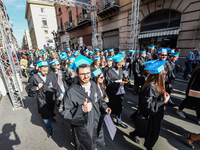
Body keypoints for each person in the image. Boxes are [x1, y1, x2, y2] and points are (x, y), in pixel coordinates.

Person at [61, 55, 111, 150]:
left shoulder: (93, 84)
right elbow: (64, 112)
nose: (86, 76)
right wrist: (81, 109)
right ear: (77, 73)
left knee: (99, 146)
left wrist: (105, 107)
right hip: (83, 130)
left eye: (88, 73)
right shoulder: (71, 92)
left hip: (97, 125)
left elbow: (100, 99)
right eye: (82, 74)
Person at [129, 60, 170, 150]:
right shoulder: (151, 87)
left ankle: (134, 134)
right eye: (164, 74)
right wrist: (164, 101)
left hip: (155, 114)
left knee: (145, 131)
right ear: (159, 76)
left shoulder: (157, 84)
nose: (165, 76)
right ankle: (148, 147)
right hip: (151, 116)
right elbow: (149, 106)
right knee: (151, 133)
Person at [27, 61, 61, 137]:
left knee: (51, 109)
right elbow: (28, 89)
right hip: (41, 98)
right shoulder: (34, 77)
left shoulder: (51, 75)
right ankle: (49, 128)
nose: (46, 72)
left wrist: (58, 95)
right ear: (39, 69)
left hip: (51, 96)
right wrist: (37, 87)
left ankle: (51, 116)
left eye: (47, 70)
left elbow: (56, 85)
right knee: (44, 114)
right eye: (44, 71)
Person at [105, 54, 129, 128]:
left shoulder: (120, 69)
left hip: (120, 92)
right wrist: (118, 84)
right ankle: (108, 121)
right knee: (111, 107)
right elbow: (108, 84)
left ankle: (119, 121)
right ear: (114, 63)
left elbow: (121, 77)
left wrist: (125, 80)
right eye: (119, 65)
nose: (120, 66)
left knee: (119, 107)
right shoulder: (109, 71)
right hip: (112, 93)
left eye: (121, 65)